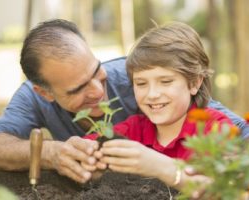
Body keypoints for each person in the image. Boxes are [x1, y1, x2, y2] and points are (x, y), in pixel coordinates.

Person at [0, 19, 249, 184]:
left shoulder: (139, 77)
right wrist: (51, 154)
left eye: (96, 71)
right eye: (78, 88)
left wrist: (236, 171)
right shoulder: (32, 98)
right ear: (44, 93)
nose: (96, 91)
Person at [83, 22, 233, 191]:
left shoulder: (214, 129)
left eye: (166, 81)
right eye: (141, 83)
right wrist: (83, 154)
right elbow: (85, 151)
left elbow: (224, 188)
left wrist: (160, 167)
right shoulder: (133, 129)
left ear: (194, 83)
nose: (152, 94)